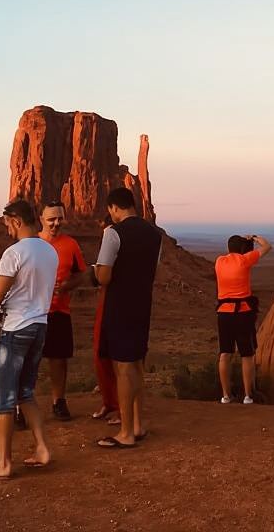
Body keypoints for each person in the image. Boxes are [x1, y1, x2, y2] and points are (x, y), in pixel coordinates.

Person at [0, 199, 59, 480]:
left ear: (17, 221)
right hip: (40, 326)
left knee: (4, 397)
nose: (7, 229)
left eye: (8, 224)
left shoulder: (14, 253)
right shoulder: (49, 251)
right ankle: (42, 448)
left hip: (16, 329)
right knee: (25, 393)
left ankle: (4, 463)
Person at [95, 185, 162, 449]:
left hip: (120, 305)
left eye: (110, 210)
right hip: (142, 304)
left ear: (113, 207)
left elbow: (103, 276)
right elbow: (153, 271)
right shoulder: (155, 235)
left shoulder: (113, 233)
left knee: (123, 368)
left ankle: (125, 432)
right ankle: (137, 424)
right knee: (136, 365)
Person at [39, 202, 88, 421]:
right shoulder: (31, 243)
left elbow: (81, 274)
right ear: (41, 219)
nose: (56, 223)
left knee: (58, 359)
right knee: (27, 360)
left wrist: (68, 285)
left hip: (59, 311)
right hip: (32, 313)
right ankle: (21, 406)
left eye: (59, 218)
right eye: (51, 219)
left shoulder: (71, 244)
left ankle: (58, 401)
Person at [215, 232, 272, 404]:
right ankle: (248, 396)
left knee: (225, 354)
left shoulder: (219, 262)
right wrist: (254, 238)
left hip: (224, 313)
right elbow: (267, 247)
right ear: (241, 248)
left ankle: (226, 396)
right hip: (243, 313)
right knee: (246, 354)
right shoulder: (245, 260)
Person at [90, 211, 121, 425]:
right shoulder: (111, 234)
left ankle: (118, 407)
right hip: (109, 299)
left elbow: (103, 276)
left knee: (111, 355)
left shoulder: (111, 234)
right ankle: (110, 403)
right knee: (104, 354)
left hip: (113, 300)